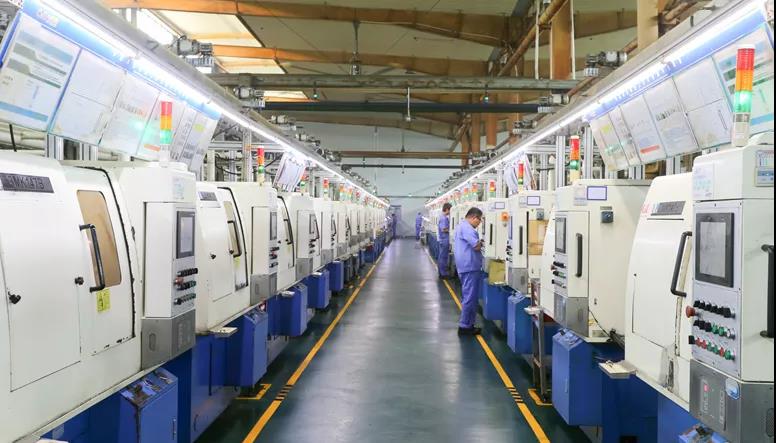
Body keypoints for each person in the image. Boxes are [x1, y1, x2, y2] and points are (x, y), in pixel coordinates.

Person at [454, 207, 484, 335]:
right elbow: (476, 246)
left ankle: (469, 324)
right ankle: (465, 326)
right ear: (473, 217)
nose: (479, 223)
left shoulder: (461, 226)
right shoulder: (467, 228)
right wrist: (482, 243)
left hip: (466, 266)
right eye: (479, 220)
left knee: (469, 296)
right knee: (470, 298)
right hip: (469, 267)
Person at [437, 203, 452, 279]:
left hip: (442, 239)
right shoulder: (444, 218)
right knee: (444, 257)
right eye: (450, 210)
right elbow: (443, 229)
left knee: (441, 256)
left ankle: (441, 272)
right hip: (444, 239)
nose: (450, 212)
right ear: (446, 209)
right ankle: (443, 274)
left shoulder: (442, 217)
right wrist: (452, 230)